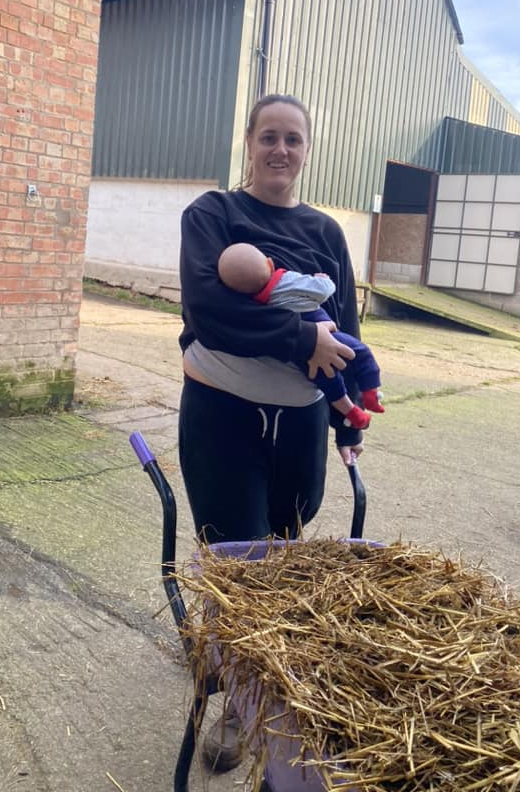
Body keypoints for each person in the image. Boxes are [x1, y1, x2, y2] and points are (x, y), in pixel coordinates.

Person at [178, 93, 366, 772]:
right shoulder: (213, 215)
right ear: (249, 144)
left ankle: (242, 665)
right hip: (223, 414)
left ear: (306, 149)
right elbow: (209, 312)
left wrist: (348, 413)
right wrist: (299, 335)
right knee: (241, 560)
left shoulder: (325, 232)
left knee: (285, 545)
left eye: (293, 139)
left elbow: (344, 328)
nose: (280, 150)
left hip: (303, 420)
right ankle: (232, 701)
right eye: (268, 138)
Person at [217, 242, 384, 429]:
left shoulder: (254, 304)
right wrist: (323, 279)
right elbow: (323, 292)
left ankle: (352, 412)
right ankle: (370, 391)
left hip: (298, 353)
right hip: (325, 333)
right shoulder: (286, 280)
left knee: (327, 380)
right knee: (359, 352)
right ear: (270, 264)